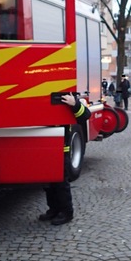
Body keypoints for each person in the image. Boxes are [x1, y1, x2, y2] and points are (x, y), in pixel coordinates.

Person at [38, 93, 91, 226]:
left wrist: (75, 104)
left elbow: (86, 115)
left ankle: (67, 212)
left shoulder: (68, 97)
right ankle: (54, 209)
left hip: (62, 149)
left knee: (61, 183)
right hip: (46, 146)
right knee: (48, 183)